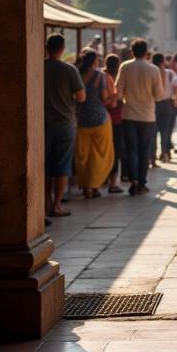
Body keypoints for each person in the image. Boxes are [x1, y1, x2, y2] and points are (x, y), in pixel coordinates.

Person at [44, 33, 86, 218]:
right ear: (62, 48)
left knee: (44, 166)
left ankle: (44, 206)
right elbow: (81, 97)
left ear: (47, 47)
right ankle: (57, 205)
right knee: (61, 166)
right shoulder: (69, 70)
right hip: (64, 123)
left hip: (42, 123)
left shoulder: (39, 67)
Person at [116, 38, 163, 195]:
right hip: (147, 116)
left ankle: (133, 181)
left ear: (132, 52)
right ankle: (141, 183)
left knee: (131, 150)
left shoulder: (125, 67)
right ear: (146, 52)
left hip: (128, 114)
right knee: (144, 151)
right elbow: (159, 96)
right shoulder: (153, 70)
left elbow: (118, 92)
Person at [74, 49, 115, 198]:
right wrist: (114, 97)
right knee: (100, 154)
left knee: (83, 155)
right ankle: (93, 186)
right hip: (100, 119)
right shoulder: (100, 76)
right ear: (95, 61)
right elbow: (104, 100)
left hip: (82, 120)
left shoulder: (77, 74)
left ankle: (85, 187)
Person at [153, 52, 177, 163]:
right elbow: (176, 87)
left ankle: (152, 156)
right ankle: (163, 153)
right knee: (165, 131)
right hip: (166, 104)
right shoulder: (169, 73)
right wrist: (175, 99)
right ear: (162, 62)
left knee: (153, 131)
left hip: (154, 104)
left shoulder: (151, 72)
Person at [103, 53, 125, 192]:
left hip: (103, 119)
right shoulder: (113, 79)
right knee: (115, 150)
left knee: (104, 150)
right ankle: (113, 182)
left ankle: (103, 177)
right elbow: (113, 102)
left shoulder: (102, 76)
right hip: (116, 118)